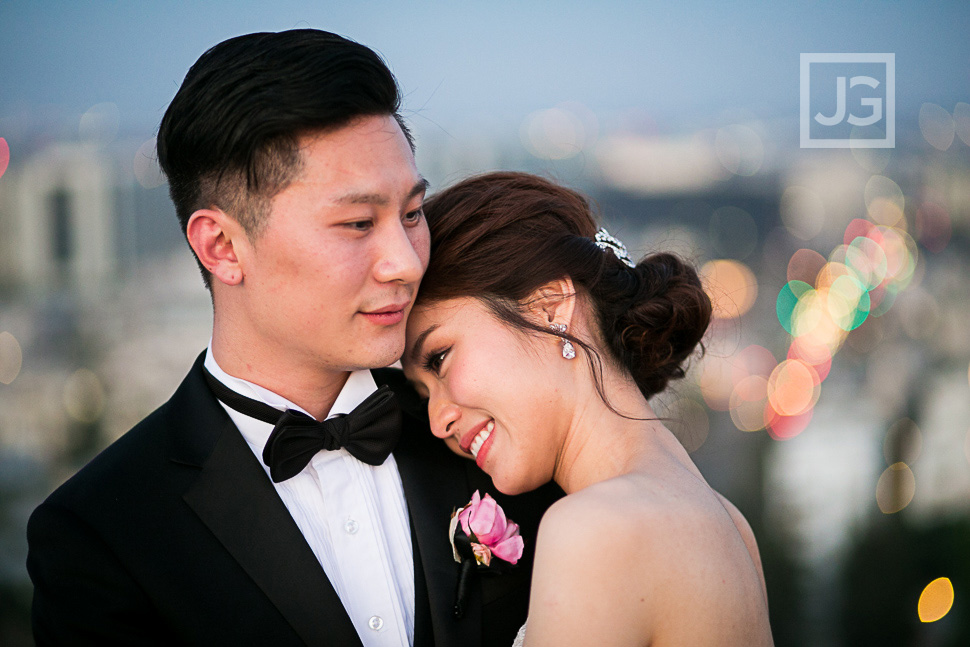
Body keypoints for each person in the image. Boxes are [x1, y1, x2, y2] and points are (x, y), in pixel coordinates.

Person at [26, 31, 557, 647]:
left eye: (412, 214)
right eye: (358, 223)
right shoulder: (103, 534)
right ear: (221, 247)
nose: (406, 263)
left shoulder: (484, 430)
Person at [403, 172, 775, 646]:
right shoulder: (731, 528)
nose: (438, 421)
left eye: (439, 358)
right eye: (422, 393)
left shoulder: (595, 529)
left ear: (550, 306)